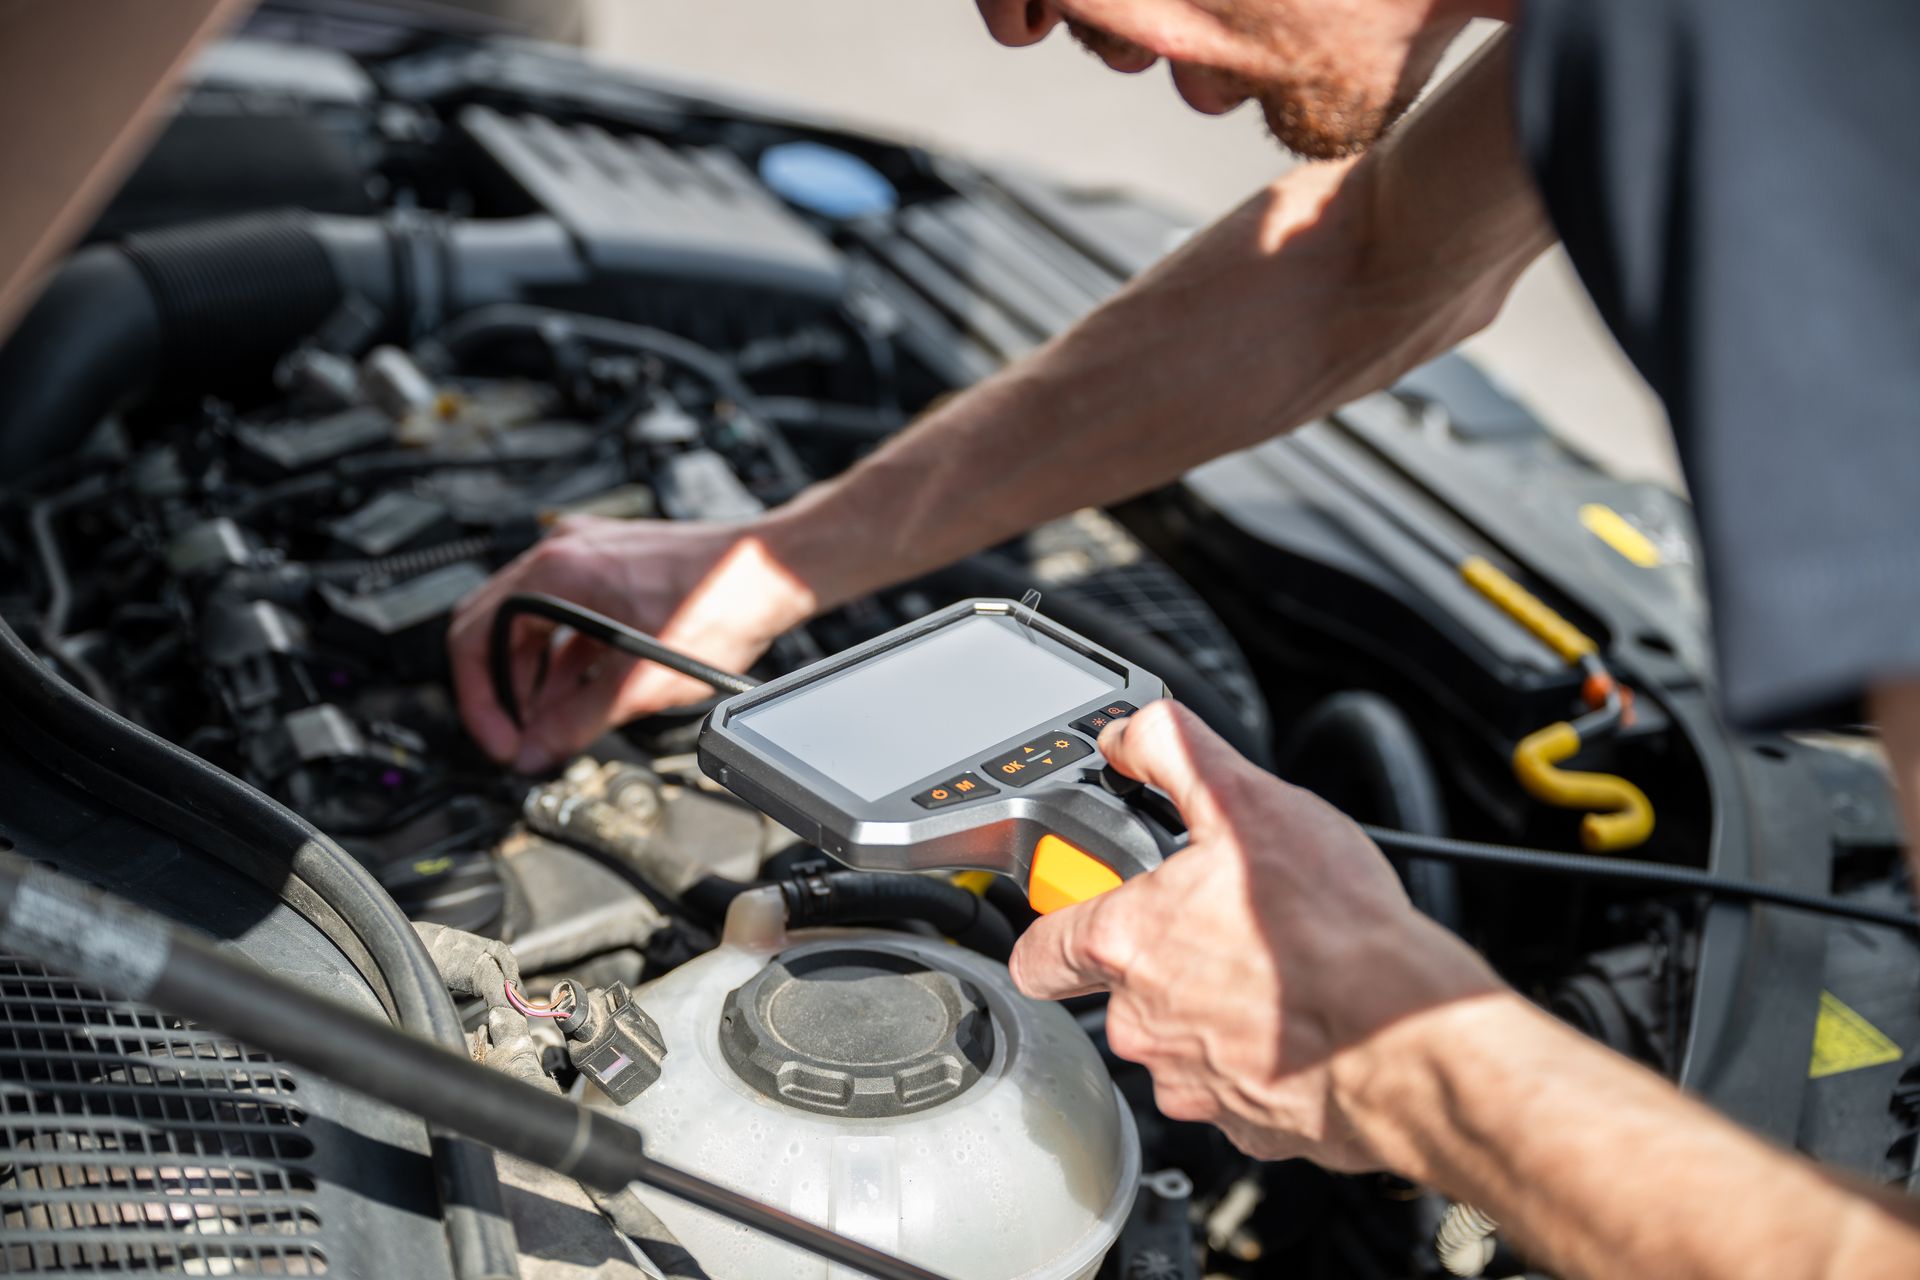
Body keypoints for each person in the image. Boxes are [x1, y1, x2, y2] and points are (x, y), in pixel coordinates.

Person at [448, 1, 1920, 1273]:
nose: (1012, 23)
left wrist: (1404, 1060)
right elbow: (1371, 261)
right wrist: (777, 558)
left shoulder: (1811, 83)